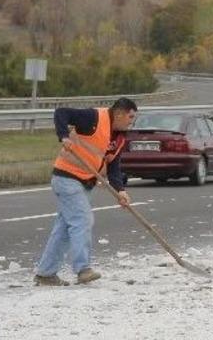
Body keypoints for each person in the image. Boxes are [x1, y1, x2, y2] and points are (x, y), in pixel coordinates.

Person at [33, 97, 138, 286]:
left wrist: (120, 191)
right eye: (130, 117)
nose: (132, 121)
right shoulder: (94, 118)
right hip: (66, 178)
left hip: (86, 182)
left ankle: (45, 274)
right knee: (82, 220)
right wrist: (63, 136)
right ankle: (83, 269)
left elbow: (113, 167)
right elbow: (61, 113)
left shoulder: (120, 137)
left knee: (64, 229)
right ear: (119, 113)